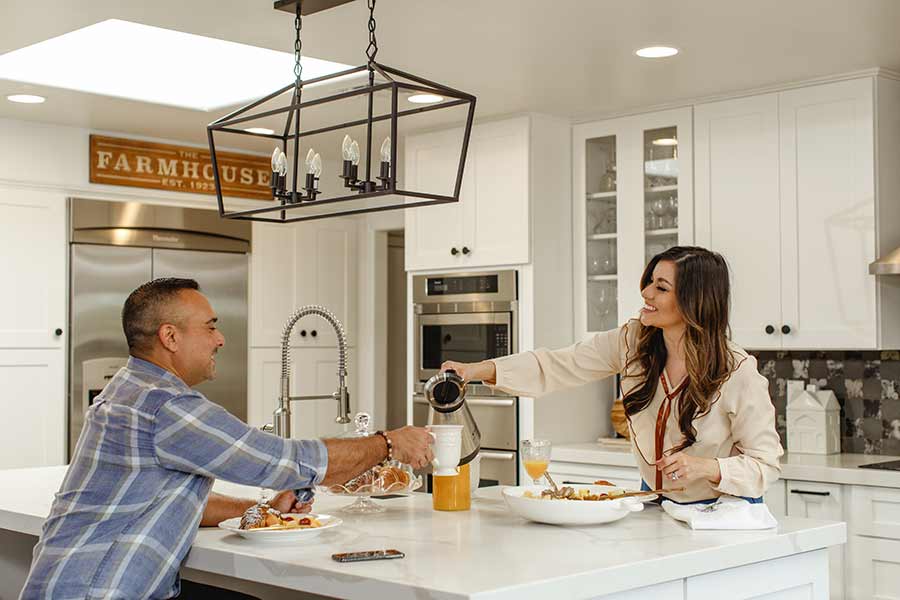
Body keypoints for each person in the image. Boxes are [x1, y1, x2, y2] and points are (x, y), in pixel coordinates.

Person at [21, 278, 433, 599]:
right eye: (211, 326)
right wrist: (388, 443)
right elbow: (283, 462)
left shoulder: (130, 387)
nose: (220, 339)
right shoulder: (165, 406)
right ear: (170, 337)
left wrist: (264, 509)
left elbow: (162, 500)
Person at [443, 246, 783, 504]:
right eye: (650, 282)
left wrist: (709, 468)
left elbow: (766, 465)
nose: (646, 293)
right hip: (654, 499)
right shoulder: (633, 341)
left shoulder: (737, 371)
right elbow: (560, 365)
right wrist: (477, 370)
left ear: (695, 302)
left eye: (661, 288)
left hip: (725, 510)